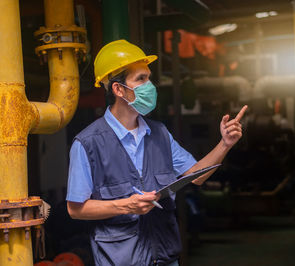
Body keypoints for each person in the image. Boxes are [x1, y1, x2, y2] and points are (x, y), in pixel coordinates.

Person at [66, 40, 247, 266]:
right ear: (118, 89)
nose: (150, 85)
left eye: (148, 77)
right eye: (141, 79)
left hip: (165, 260)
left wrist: (225, 144)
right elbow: (75, 209)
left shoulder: (159, 133)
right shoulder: (87, 143)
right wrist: (125, 206)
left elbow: (197, 175)